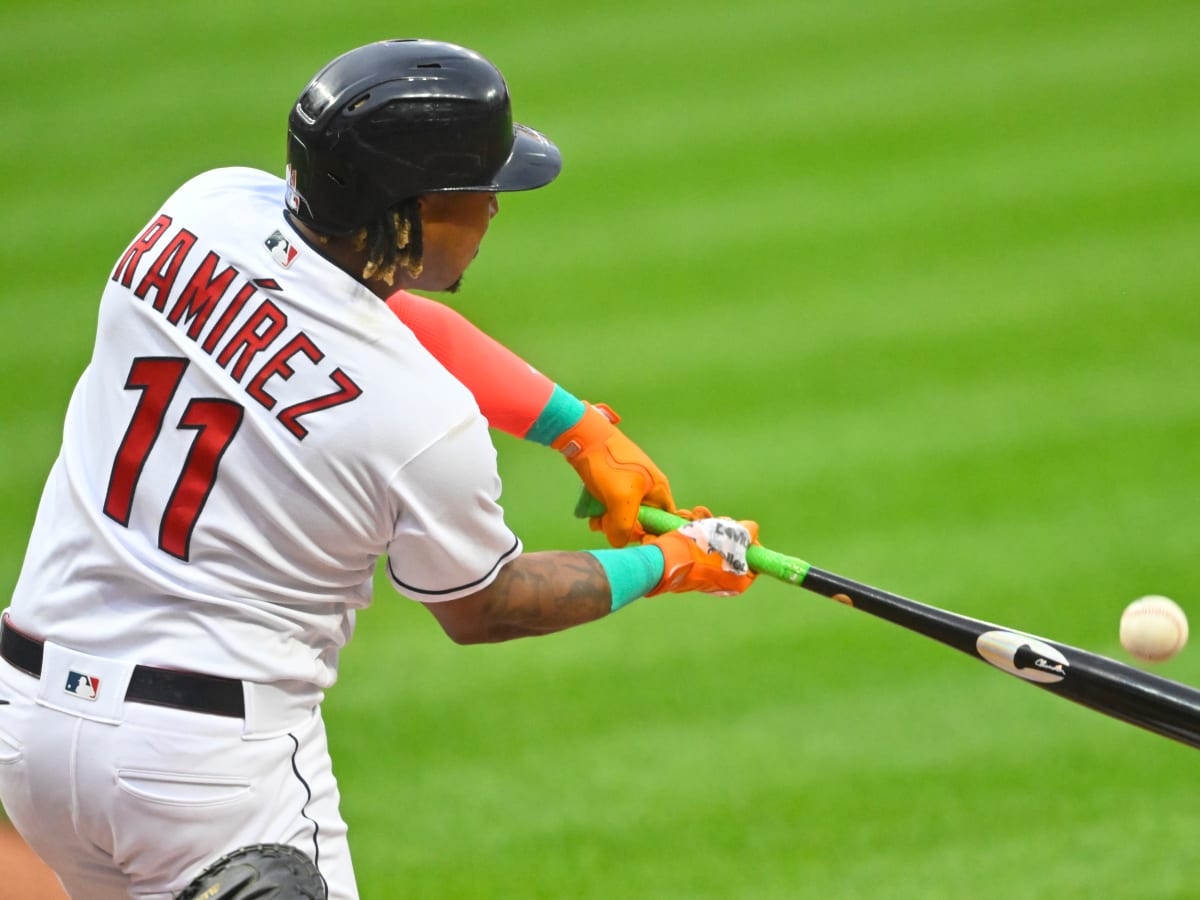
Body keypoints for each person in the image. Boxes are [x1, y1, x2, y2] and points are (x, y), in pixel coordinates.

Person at [0, 39, 757, 899]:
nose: (496, 211)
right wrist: (671, 561)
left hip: (30, 725)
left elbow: (364, 316)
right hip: (202, 780)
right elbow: (487, 605)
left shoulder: (198, 212)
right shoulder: (423, 427)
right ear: (417, 207)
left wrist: (579, 429)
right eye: (482, 190)